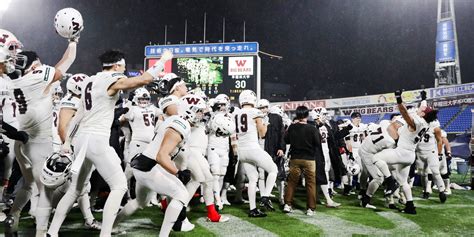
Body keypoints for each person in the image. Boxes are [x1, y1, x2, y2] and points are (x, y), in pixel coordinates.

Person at [49, 49, 173, 237]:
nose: (123, 70)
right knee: (119, 186)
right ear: (116, 66)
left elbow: (79, 116)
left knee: (75, 189)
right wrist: (163, 61)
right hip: (97, 139)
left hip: (82, 138)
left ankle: (52, 231)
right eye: (122, 66)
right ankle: (105, 234)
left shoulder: (89, 81)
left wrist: (68, 141)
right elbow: (144, 80)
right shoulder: (110, 79)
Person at [5, 36, 78, 236]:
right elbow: (66, 61)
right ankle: (42, 232)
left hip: (20, 142)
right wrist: (73, 40)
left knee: (28, 185)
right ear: (34, 65)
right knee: (45, 189)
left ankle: (14, 216)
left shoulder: (12, 82)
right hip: (39, 142)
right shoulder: (38, 76)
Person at [235, 90, 278, 217]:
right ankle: (265, 196)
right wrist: (266, 123)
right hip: (253, 148)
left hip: (241, 151)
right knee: (273, 169)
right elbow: (262, 133)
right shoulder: (255, 112)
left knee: (253, 179)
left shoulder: (236, 114)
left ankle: (252, 209)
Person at [283, 106, 319, 215]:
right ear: (307, 115)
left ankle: (287, 204)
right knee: (310, 184)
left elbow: (286, 140)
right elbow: (317, 143)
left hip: (295, 158)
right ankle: (310, 208)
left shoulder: (292, 127)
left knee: (292, 182)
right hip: (309, 159)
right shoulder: (312, 128)